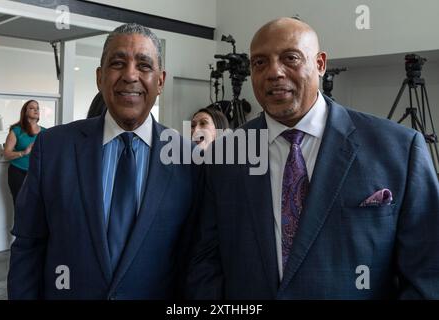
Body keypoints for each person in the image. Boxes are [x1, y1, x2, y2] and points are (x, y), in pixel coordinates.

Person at [186, 17, 439, 299]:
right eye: (259, 63)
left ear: (320, 64)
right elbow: (206, 261)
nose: (274, 72)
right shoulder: (225, 156)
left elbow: (427, 273)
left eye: (290, 58)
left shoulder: (399, 149)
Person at [8, 23, 200, 299]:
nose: (130, 75)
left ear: (160, 81)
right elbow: (28, 244)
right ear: (100, 78)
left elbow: (193, 257)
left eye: (144, 66)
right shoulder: (54, 148)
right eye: (118, 63)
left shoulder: (189, 159)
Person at [3, 100, 45, 204]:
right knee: (20, 205)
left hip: (38, 173)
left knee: (37, 207)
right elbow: (6, 154)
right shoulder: (16, 131)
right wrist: (24, 152)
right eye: (31, 108)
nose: (36, 110)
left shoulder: (45, 132)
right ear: (25, 112)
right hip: (18, 172)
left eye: (37, 108)